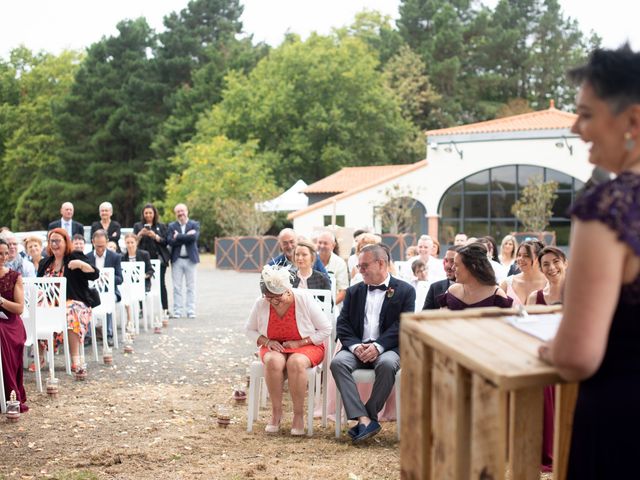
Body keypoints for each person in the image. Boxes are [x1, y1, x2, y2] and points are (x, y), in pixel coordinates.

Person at [538, 45, 640, 479]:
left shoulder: (610, 207)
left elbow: (579, 356)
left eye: (586, 114)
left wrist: (553, 350)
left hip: (624, 429)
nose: (578, 130)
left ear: (632, 121)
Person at [331, 244, 416, 443]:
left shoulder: (405, 291)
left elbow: (403, 324)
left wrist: (378, 346)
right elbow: (342, 324)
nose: (359, 270)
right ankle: (363, 418)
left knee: (387, 364)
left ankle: (368, 416)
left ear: (381, 263)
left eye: (364, 266)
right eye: (359, 266)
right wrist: (355, 346)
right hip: (356, 348)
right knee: (337, 362)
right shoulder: (353, 292)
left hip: (388, 349)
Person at [245, 265, 332, 435]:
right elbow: (249, 330)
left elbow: (326, 329)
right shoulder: (262, 302)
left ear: (287, 290)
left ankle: (298, 415)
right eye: (269, 298)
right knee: (273, 360)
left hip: (307, 345)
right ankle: (276, 413)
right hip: (274, 346)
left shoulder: (303, 298)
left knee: (296, 362)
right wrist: (267, 341)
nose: (273, 302)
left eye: (277, 298)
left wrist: (300, 343)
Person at [527, 246, 568, 473]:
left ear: (565, 262)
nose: (551, 268)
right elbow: (530, 333)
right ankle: (545, 449)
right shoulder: (535, 297)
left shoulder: (580, 293)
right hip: (546, 358)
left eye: (556, 262)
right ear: (540, 269)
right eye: (545, 264)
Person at [37, 228, 98, 371]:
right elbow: (38, 285)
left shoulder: (74, 256)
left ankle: (75, 358)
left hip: (75, 301)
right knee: (37, 309)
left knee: (70, 311)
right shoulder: (45, 262)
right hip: (51, 304)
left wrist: (81, 265)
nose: (54, 244)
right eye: (51, 241)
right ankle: (40, 357)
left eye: (58, 241)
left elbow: (95, 274)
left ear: (66, 242)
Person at [438, 243, 512, 310]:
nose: (452, 268)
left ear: (472, 267)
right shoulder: (452, 291)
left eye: (456, 265)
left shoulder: (497, 295)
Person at [0, 238, 28, 413]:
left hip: (10, 324)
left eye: (4, 253)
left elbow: (19, 308)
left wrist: (1, 301)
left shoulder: (14, 276)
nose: (2, 257)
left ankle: (7, 394)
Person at [86, 230, 123, 346]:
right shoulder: (87, 257)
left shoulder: (115, 257)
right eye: (97, 246)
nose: (100, 249)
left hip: (110, 291)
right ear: (92, 242)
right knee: (83, 300)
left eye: (102, 246)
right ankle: (87, 335)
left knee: (108, 300)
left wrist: (108, 277)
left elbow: (120, 279)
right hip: (92, 290)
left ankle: (109, 334)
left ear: (107, 242)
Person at [133, 203, 170, 315]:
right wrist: (140, 234)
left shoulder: (161, 226)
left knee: (161, 283)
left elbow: (166, 242)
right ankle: (141, 309)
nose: (148, 215)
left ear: (154, 214)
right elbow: (133, 242)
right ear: (143, 214)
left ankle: (165, 308)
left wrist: (155, 236)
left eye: (150, 213)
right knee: (141, 283)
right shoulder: (138, 226)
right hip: (142, 259)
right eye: (146, 213)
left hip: (158, 258)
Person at [167, 203, 200, 319]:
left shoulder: (194, 224)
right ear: (175, 214)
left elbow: (194, 238)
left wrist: (179, 236)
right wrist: (186, 236)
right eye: (178, 212)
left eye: (182, 211)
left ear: (187, 211)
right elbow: (170, 241)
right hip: (177, 260)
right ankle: (177, 311)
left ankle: (191, 310)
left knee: (191, 287)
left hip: (190, 260)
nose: (181, 213)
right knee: (176, 287)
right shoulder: (172, 226)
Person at [121, 233, 155, 332]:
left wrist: (143, 276)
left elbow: (150, 270)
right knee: (126, 293)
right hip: (128, 285)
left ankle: (131, 320)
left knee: (129, 293)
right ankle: (130, 319)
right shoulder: (122, 257)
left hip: (142, 284)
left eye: (132, 242)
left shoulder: (144, 254)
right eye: (128, 243)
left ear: (136, 242)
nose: (130, 245)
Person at [499, 240, 546, 306]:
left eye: (526, 256)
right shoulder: (507, 283)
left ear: (539, 258)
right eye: (519, 255)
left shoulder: (549, 283)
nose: (520, 258)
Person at [316, 231, 349, 304]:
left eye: (325, 243)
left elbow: (343, 290)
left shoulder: (340, 263)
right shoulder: (310, 259)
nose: (322, 246)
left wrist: (330, 306)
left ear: (333, 245)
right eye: (320, 242)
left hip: (333, 305)